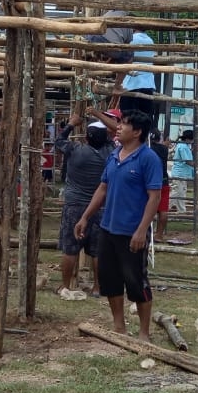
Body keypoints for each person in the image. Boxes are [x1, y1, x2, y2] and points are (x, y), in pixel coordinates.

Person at [73, 109, 163, 341]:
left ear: (138, 132)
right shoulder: (114, 155)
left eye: (123, 124)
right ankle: (119, 327)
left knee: (136, 281)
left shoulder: (148, 158)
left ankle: (144, 332)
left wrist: (142, 229)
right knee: (110, 280)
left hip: (132, 231)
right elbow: (103, 188)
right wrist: (85, 217)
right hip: (108, 228)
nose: (118, 127)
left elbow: (154, 197)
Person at [55, 115, 111, 294]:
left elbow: (58, 141)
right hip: (100, 206)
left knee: (70, 247)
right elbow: (112, 137)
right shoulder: (110, 153)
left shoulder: (74, 150)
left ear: (86, 138)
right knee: (97, 250)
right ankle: (98, 286)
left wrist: (71, 124)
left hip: (74, 205)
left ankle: (65, 285)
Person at [117, 30, 156, 118]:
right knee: (144, 119)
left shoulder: (131, 39)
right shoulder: (150, 40)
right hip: (148, 85)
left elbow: (126, 59)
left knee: (128, 119)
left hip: (132, 85)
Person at [150, 131, 172, 241]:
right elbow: (165, 145)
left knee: (148, 207)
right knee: (163, 210)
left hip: (151, 182)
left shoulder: (148, 149)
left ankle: (147, 231)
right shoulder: (164, 149)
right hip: (164, 180)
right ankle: (159, 235)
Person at [170, 129, 196, 216]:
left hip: (182, 173)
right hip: (179, 173)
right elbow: (188, 161)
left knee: (181, 192)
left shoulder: (183, 146)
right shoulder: (183, 147)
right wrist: (196, 167)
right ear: (188, 139)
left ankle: (181, 210)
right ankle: (164, 208)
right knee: (176, 192)